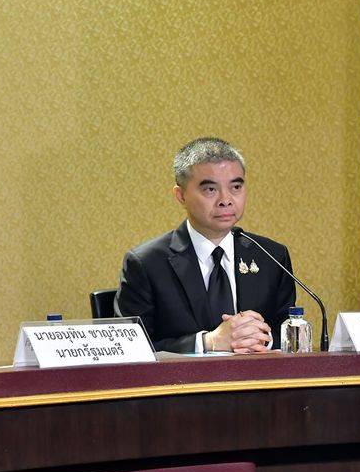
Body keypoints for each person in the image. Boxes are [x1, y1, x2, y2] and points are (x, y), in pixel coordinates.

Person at [115, 137, 296, 354]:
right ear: (181, 196)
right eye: (210, 189)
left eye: (236, 187)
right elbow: (128, 349)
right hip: (183, 377)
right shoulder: (146, 264)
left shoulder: (272, 257)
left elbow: (287, 333)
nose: (226, 200)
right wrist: (207, 342)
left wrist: (260, 339)